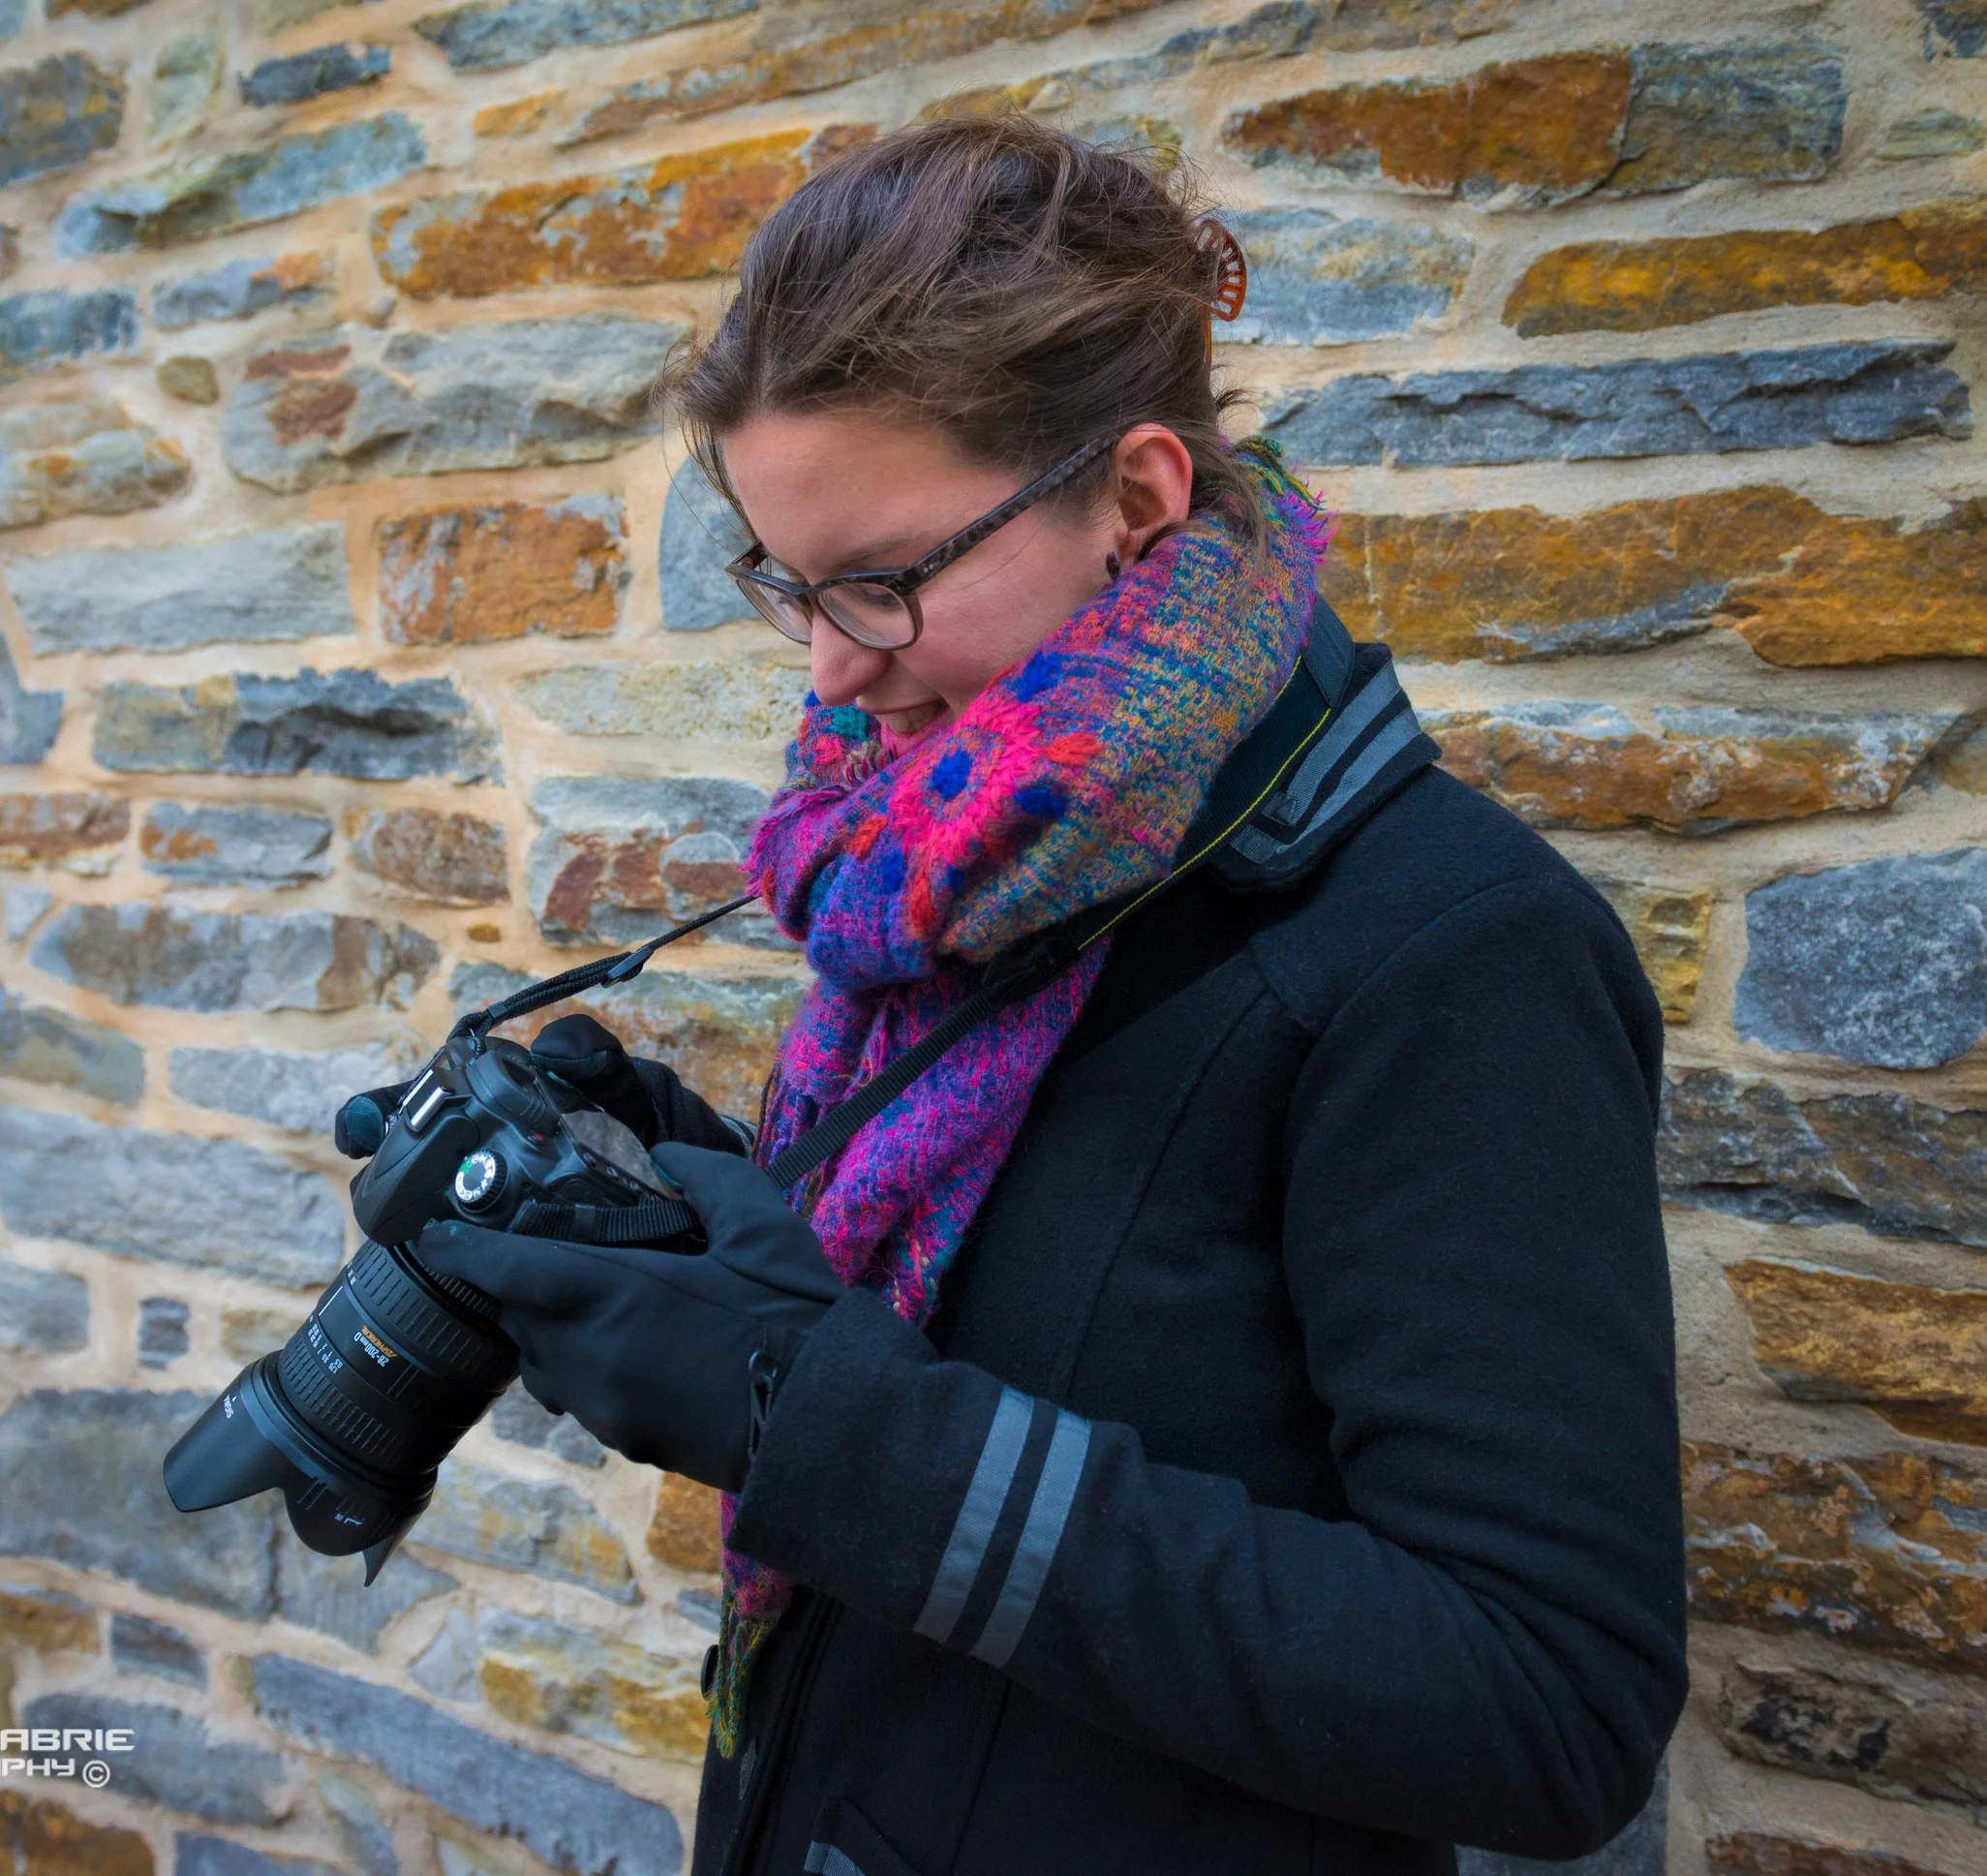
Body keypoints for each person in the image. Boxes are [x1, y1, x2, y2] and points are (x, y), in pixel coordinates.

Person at [410, 113, 1687, 1876]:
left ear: (1139, 498)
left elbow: (1546, 1708)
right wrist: (703, 1218)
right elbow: (1037, 1308)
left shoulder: (1450, 953)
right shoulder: (947, 876)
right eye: (786, 582)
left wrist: (809, 1418)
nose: (836, 666)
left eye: (885, 580)